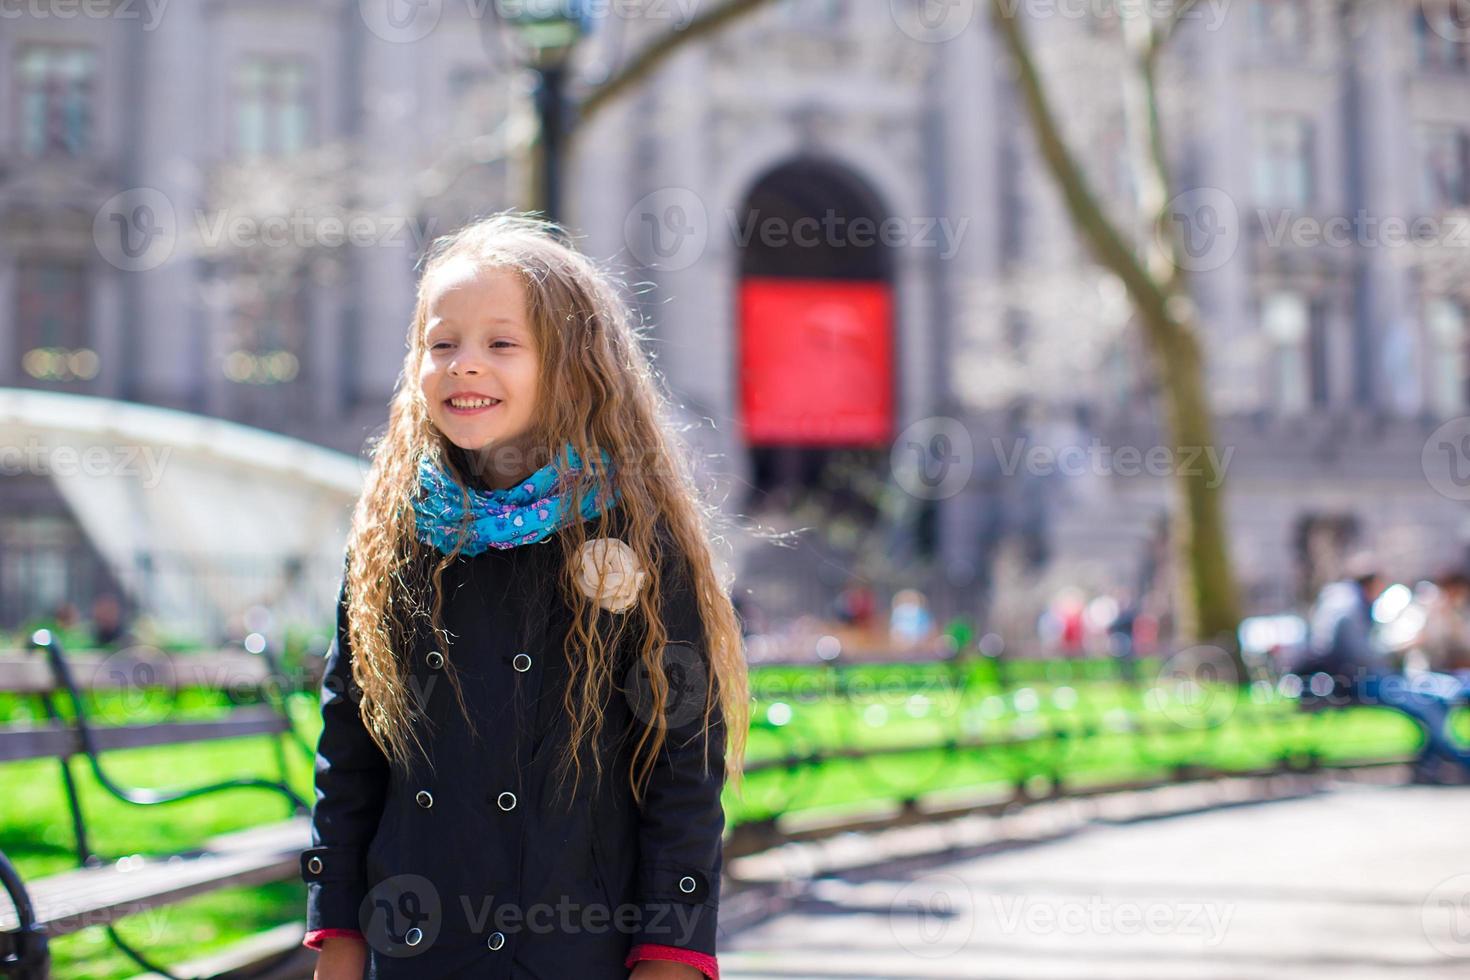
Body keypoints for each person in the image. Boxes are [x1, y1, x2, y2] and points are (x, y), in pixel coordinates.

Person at [302, 213, 749, 979]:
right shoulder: (391, 534)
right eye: (441, 345)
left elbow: (684, 761)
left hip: (576, 946)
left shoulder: (636, 530)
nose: (464, 365)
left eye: (501, 344)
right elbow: (348, 755)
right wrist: (335, 935)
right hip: (417, 944)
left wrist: (671, 955)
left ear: (572, 365)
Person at [1303, 553, 1470, 785]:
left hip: (1361, 677)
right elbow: (1363, 654)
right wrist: (1396, 650)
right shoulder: (1349, 607)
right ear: (1371, 583)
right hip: (1358, 681)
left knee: (1437, 699)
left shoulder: (1343, 600)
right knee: (1427, 703)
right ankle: (1461, 759)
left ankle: (1431, 765)